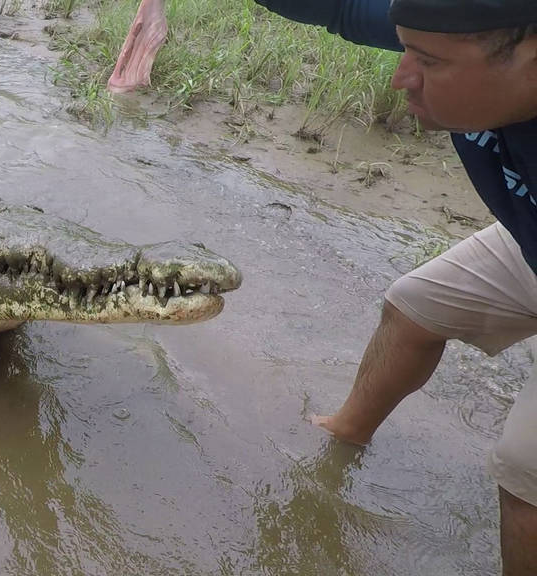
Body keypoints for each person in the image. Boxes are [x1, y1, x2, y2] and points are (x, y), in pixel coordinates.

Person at [110, 0, 537, 572]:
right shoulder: (472, 28)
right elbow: (336, 6)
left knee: (525, 474)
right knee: (414, 306)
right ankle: (344, 433)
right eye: (405, 48)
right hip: (527, 239)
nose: (401, 76)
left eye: (429, 63)